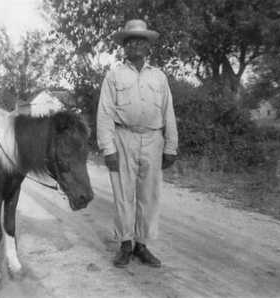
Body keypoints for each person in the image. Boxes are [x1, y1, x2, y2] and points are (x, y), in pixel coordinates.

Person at [96, 19, 178, 268]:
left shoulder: (159, 77)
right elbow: (105, 113)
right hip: (123, 138)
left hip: (153, 139)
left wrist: (170, 146)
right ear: (124, 46)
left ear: (148, 46)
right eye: (131, 41)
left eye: (141, 41)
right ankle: (125, 245)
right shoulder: (114, 75)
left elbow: (168, 112)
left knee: (149, 195)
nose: (136, 46)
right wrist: (108, 148)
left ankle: (142, 245)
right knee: (123, 194)